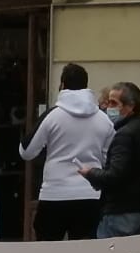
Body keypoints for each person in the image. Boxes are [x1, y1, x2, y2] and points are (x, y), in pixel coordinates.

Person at [19, 63, 111, 240]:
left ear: (62, 85)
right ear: (86, 85)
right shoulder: (103, 119)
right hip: (90, 195)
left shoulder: (52, 116)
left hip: (55, 193)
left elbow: (26, 151)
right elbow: (110, 158)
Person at [82, 82, 140, 238]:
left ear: (130, 106)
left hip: (120, 211)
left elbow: (115, 175)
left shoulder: (124, 135)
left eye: (114, 103)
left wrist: (91, 173)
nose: (108, 107)